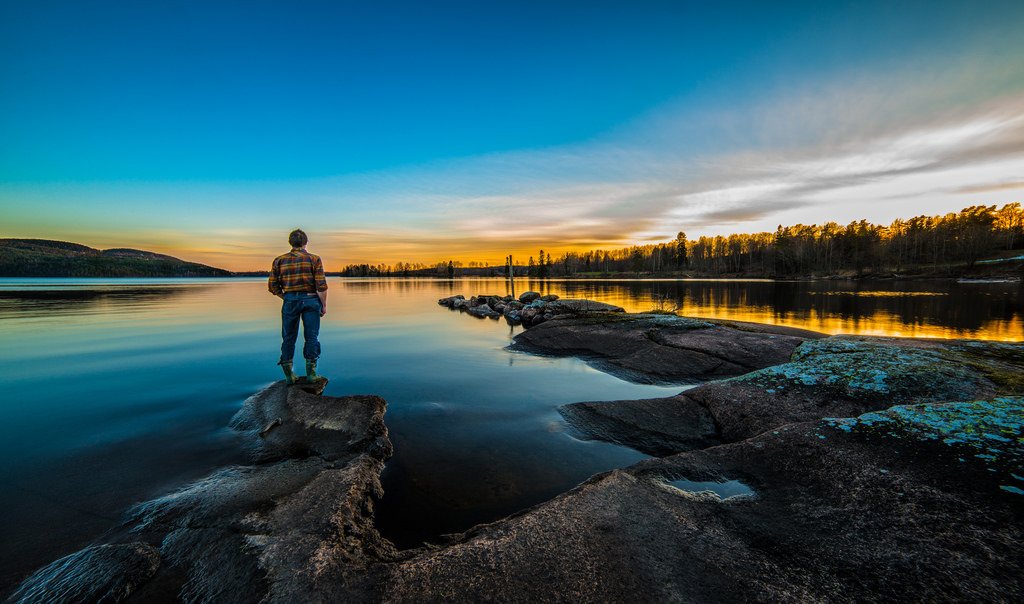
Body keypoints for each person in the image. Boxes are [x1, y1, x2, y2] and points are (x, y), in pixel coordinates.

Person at [268, 229, 328, 384]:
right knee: (312, 337)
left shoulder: (279, 260)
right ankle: (311, 375)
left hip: (290, 302)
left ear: (290, 242)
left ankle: (289, 376)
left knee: (288, 337)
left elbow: (273, 286)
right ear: (306, 242)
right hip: (310, 300)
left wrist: (287, 297)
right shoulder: (314, 259)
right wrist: (324, 305)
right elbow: (321, 286)